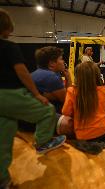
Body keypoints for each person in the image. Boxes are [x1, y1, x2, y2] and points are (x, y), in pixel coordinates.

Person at [0, 8, 66, 189]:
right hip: (9, 94)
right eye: (61, 59)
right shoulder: (9, 47)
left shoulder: (37, 72)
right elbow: (21, 72)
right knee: (47, 111)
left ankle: (2, 178)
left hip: (8, 109)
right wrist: (38, 95)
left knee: (4, 138)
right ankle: (43, 142)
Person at [60, 61, 105, 152]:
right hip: (101, 132)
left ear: (77, 76)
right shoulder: (104, 90)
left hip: (81, 135)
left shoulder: (71, 91)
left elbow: (66, 112)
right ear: (97, 75)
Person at [32, 46, 71, 113]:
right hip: (47, 113)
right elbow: (67, 100)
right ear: (52, 63)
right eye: (61, 59)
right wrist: (68, 78)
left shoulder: (36, 73)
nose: (63, 61)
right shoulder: (51, 77)